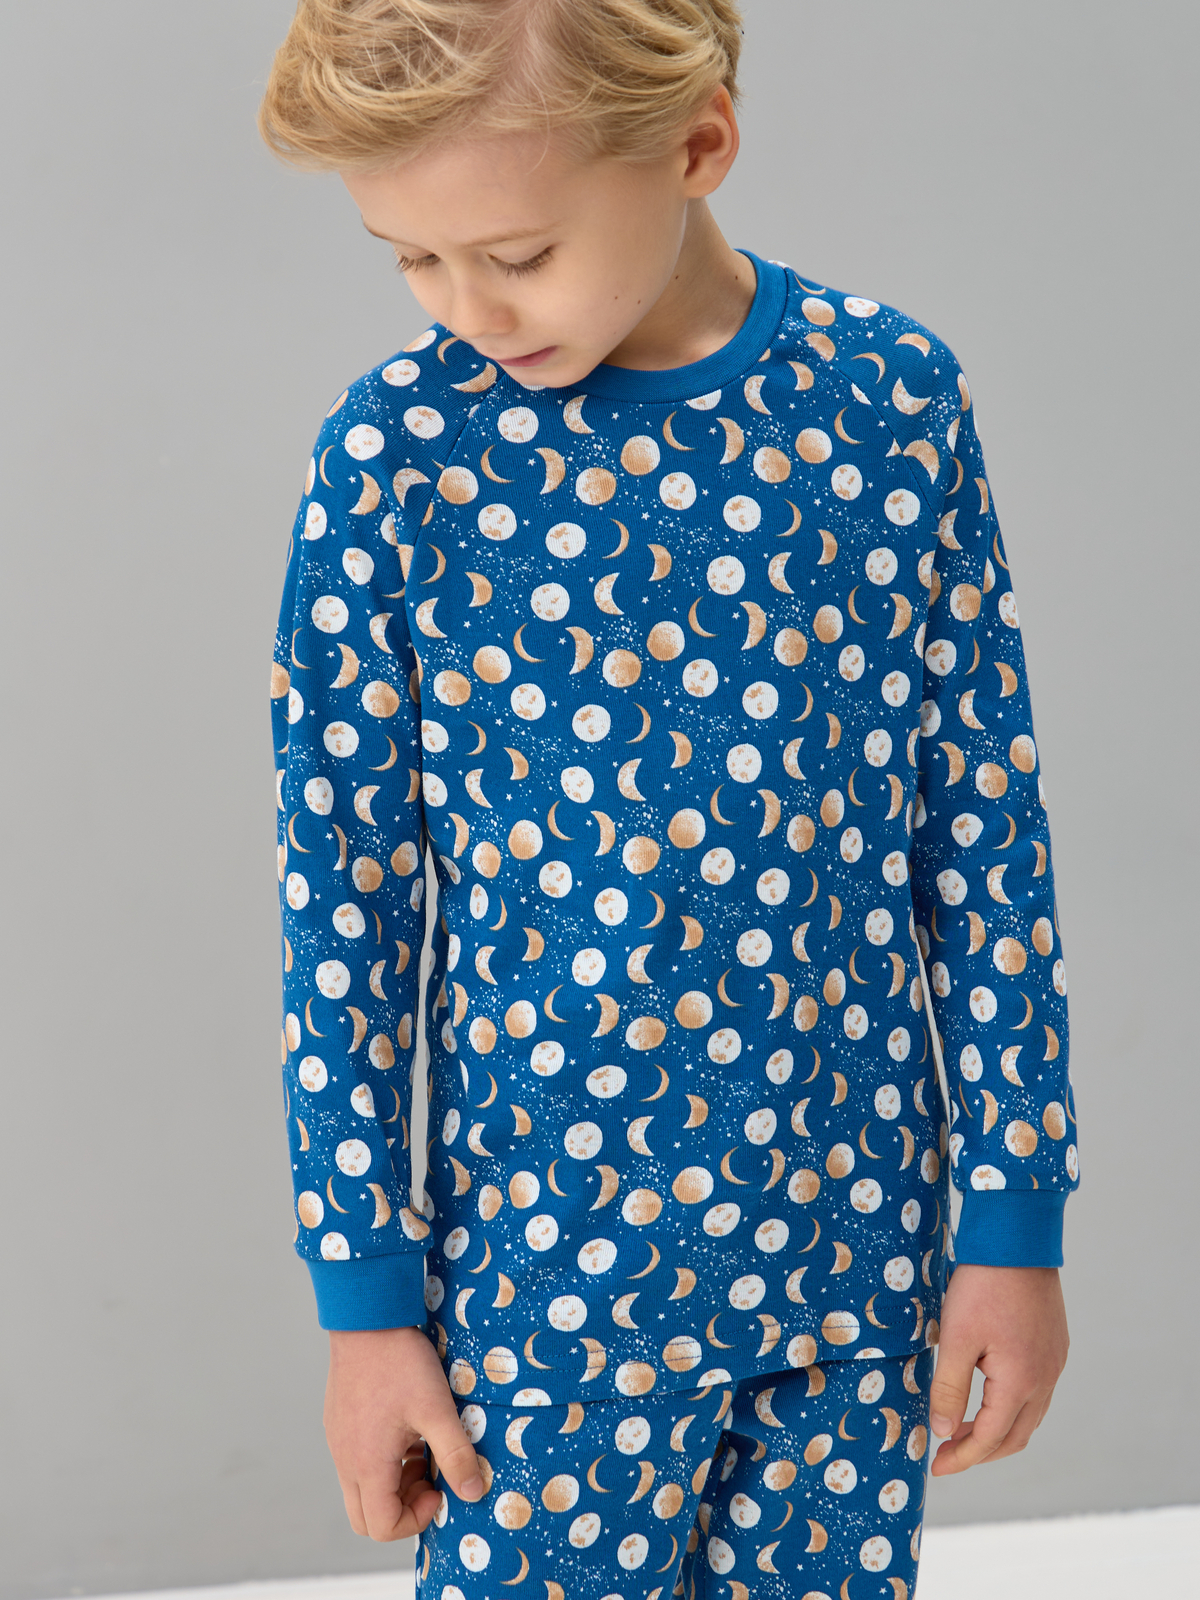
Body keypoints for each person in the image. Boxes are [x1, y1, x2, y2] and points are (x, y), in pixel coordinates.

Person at [260, 3, 1078, 1595]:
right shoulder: (399, 456)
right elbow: (343, 908)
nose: (469, 310)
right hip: (543, 1297)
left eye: (516, 253)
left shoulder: (889, 401)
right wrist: (366, 1309)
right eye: (412, 259)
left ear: (699, 144)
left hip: (858, 1270)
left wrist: (1013, 1226)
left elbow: (982, 838)